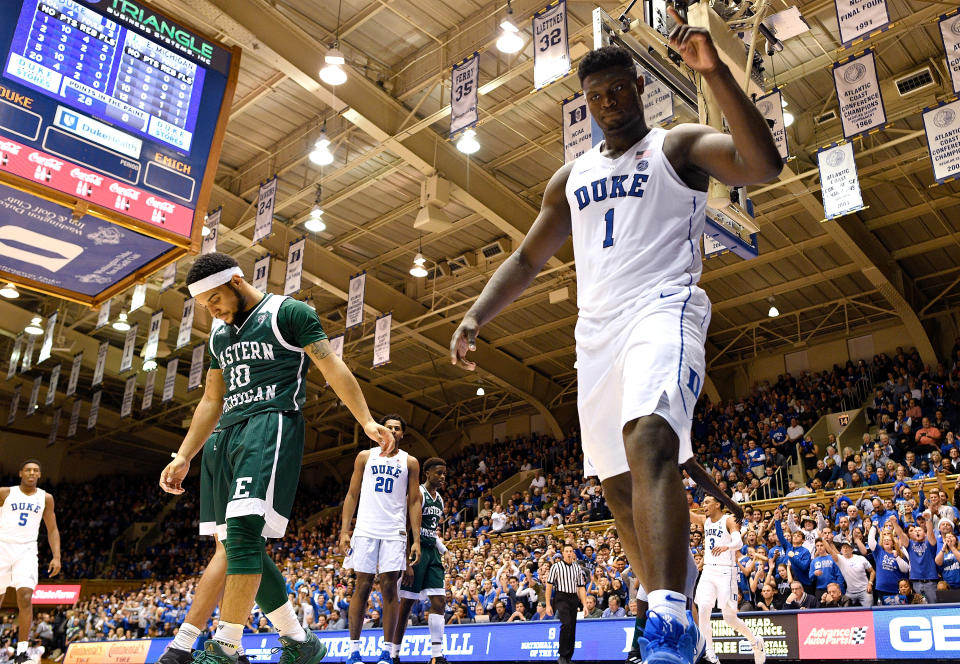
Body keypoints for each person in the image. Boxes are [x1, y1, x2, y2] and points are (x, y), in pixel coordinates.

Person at [449, 5, 780, 662]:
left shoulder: (677, 145)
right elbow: (525, 259)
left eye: (618, 90)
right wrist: (474, 314)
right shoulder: (569, 178)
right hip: (594, 337)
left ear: (638, 88)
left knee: (650, 435)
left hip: (664, 308)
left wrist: (713, 74)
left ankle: (664, 617)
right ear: (587, 103)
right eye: (596, 96)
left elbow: (759, 163)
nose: (608, 102)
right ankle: (674, 595)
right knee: (616, 485)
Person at [158, 252, 394, 664]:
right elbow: (212, 399)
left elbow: (331, 366)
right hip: (225, 436)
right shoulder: (219, 335)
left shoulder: (288, 312)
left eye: (214, 299)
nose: (211, 310)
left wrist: (367, 420)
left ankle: (227, 646)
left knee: (245, 536)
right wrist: (183, 455)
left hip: (270, 425)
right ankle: (300, 642)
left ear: (235, 281)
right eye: (205, 305)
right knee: (233, 544)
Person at [340, 415, 421, 664]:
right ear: (380, 431)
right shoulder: (365, 456)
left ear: (402, 434)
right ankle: (354, 651)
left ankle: (387, 651)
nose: (393, 431)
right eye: (389, 428)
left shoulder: (410, 461)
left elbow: (414, 501)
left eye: (398, 429)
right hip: (365, 528)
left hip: (394, 530)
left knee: (389, 588)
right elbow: (352, 494)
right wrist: (345, 530)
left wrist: (415, 539)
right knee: (361, 585)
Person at [690, 497, 765, 664]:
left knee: (729, 618)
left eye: (707, 502)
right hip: (708, 569)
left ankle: (755, 642)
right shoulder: (705, 520)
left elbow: (738, 542)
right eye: (703, 502)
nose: (704, 505)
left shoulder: (728, 519)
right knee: (703, 608)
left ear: (718, 504)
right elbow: (687, 514)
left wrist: (727, 546)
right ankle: (710, 653)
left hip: (726, 571)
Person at [0, 461, 59, 664]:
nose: (32, 473)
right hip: (2, 547)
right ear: (20, 473)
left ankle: (21, 652)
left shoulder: (46, 498)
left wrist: (57, 556)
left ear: (40, 474)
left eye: (35, 470)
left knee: (25, 596)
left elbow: (52, 529)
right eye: (28, 470)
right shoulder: (5, 493)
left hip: (26, 550)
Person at [393, 457, 450, 664]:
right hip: (415, 554)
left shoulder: (440, 499)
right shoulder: (418, 493)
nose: (442, 477)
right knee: (406, 605)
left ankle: (437, 656)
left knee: (439, 601)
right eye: (438, 473)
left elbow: (431, 532)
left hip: (432, 553)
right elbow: (407, 529)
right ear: (427, 473)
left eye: (444, 474)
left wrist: (444, 550)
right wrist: (406, 562)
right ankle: (394, 653)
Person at [544, 544, 588, 664]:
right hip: (561, 597)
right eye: (566, 551)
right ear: (563, 553)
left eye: (571, 551)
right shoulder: (556, 567)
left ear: (573, 553)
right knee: (566, 624)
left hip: (573, 597)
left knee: (572, 626)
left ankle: (569, 657)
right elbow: (549, 586)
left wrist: (584, 604)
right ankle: (562, 655)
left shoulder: (577, 568)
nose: (569, 553)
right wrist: (548, 604)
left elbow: (581, 587)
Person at [821, 538, 874, 607]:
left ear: (852, 549)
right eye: (843, 547)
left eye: (847, 547)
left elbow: (872, 571)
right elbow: (830, 551)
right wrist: (822, 539)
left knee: (869, 611)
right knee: (844, 612)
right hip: (850, 592)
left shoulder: (861, 558)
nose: (845, 549)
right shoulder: (840, 559)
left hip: (864, 590)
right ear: (841, 550)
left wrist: (870, 583)